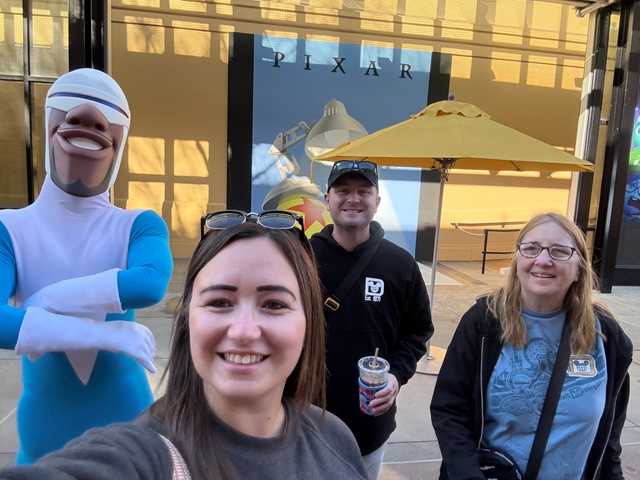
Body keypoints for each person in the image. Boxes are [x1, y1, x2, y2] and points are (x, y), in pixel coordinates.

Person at [0, 214, 369, 480]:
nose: (243, 331)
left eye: (273, 304)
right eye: (219, 302)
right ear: (187, 320)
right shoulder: (148, 454)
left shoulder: (335, 437)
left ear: (308, 322)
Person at [0, 68, 173, 463]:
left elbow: (149, 284)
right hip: (46, 422)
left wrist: (45, 300)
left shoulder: (139, 225)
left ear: (120, 138)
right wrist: (103, 335)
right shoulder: (8, 229)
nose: (88, 121)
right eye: (72, 110)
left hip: (127, 415)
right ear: (50, 123)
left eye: (104, 118)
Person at [430, 212, 633, 479]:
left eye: (560, 251)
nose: (543, 260)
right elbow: (449, 409)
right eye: (531, 248)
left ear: (579, 268)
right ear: (517, 260)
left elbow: (609, 436)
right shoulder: (484, 321)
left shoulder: (606, 335)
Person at [310, 160, 434, 479]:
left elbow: (418, 330)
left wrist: (396, 375)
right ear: (327, 199)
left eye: (364, 191)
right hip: (305, 417)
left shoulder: (400, 264)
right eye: (343, 190)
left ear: (377, 202)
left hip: (368, 422)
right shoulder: (302, 259)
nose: (353, 199)